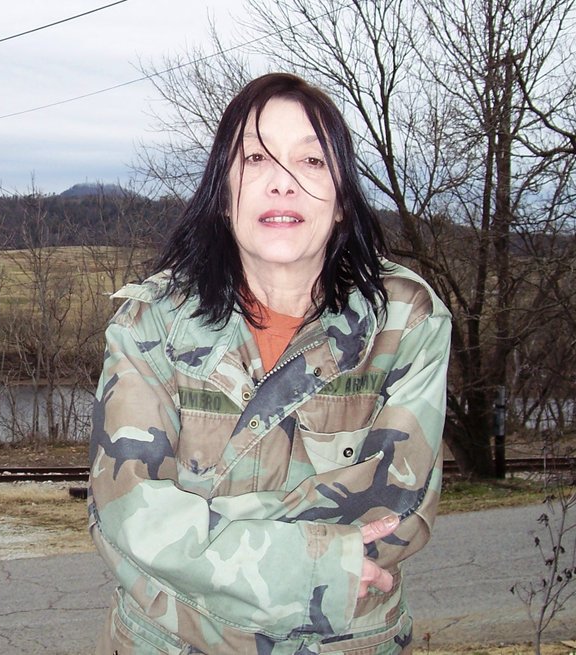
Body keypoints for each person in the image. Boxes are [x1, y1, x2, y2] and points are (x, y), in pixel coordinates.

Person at [88, 72, 451, 655]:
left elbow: (396, 515)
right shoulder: (148, 323)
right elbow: (127, 514)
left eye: (310, 162)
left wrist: (198, 533)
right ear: (223, 193)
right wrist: (314, 566)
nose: (282, 183)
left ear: (340, 202)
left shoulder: (406, 320)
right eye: (255, 159)